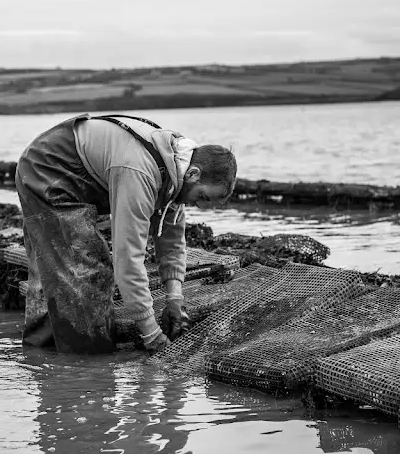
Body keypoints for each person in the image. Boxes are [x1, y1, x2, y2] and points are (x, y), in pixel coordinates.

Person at [15, 113, 237, 355]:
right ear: (194, 173)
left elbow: (172, 241)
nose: (199, 206)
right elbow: (128, 258)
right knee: (85, 271)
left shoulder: (175, 169)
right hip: (48, 171)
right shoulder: (140, 171)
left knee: (51, 268)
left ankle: (43, 363)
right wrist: (151, 334)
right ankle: (88, 367)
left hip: (69, 171)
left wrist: (175, 299)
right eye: (202, 197)